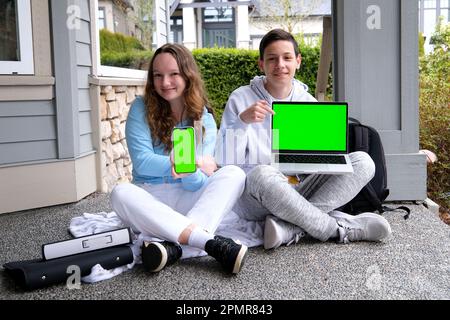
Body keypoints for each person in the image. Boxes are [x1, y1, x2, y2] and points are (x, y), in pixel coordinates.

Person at [216, 29, 392, 250]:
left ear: (298, 61)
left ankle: (290, 228)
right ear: (261, 64)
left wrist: (323, 162)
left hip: (297, 188)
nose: (280, 64)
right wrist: (242, 122)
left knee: (363, 162)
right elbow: (225, 162)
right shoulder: (240, 98)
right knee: (262, 173)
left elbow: (314, 159)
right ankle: (334, 230)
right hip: (257, 194)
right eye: (272, 59)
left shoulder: (307, 101)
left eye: (287, 57)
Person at [111, 43, 248, 274]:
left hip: (189, 198)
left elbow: (195, 182)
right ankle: (206, 242)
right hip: (150, 196)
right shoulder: (140, 108)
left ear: (188, 75)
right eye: (158, 75)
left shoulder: (202, 117)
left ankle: (173, 248)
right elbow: (143, 162)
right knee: (120, 193)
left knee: (235, 174)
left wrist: (188, 168)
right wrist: (191, 162)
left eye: (174, 74)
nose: (165, 83)